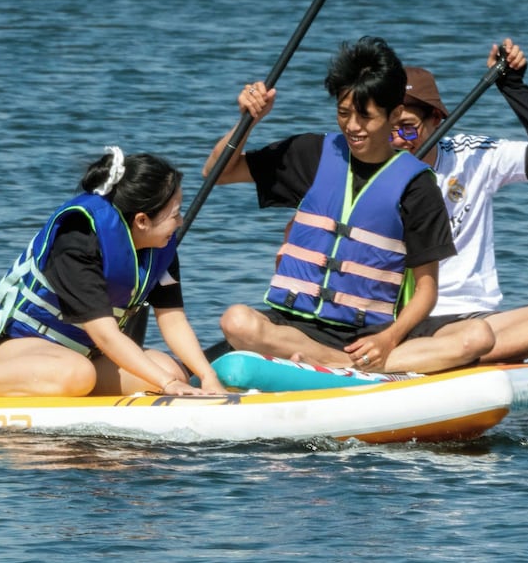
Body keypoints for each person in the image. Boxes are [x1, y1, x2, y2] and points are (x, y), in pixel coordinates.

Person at [206, 36, 495, 374]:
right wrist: (249, 120)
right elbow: (218, 172)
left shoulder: (417, 185)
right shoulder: (312, 154)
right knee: (237, 321)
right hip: (295, 328)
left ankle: (354, 360)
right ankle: (341, 363)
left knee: (478, 336)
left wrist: (389, 338)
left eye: (365, 116)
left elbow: (427, 290)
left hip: (372, 334)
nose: (352, 126)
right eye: (343, 113)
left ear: (395, 114)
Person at [0, 147, 227, 418]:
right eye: (176, 213)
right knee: (79, 373)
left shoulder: (158, 246)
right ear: (142, 220)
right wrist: (166, 386)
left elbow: (172, 318)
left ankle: (65, 395)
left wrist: (207, 376)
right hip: (14, 348)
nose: (181, 221)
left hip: (83, 355)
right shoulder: (79, 239)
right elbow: (104, 335)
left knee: (170, 369)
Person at [390, 39, 528, 361]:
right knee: (474, 339)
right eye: (388, 129)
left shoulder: (473, 155)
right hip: (400, 317)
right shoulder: (372, 168)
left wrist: (512, 86)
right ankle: (428, 355)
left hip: (476, 319)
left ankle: (439, 357)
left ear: (438, 119)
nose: (397, 140)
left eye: (408, 129)